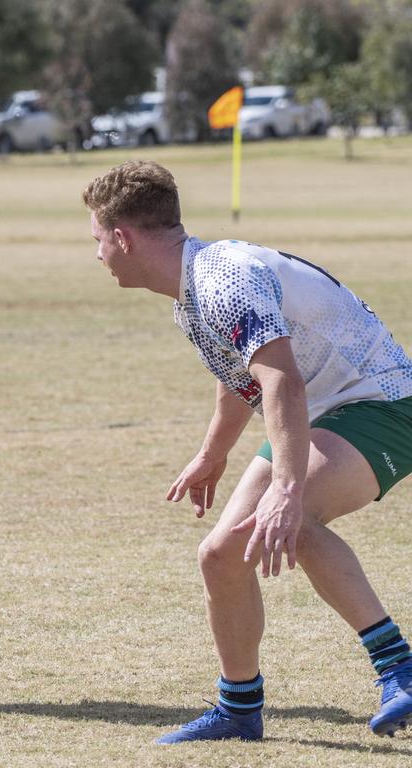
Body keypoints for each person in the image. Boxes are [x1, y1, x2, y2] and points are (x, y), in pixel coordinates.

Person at [82, 160, 412, 743]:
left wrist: (287, 489)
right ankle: (239, 710)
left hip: (384, 404)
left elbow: (281, 379)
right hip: (325, 409)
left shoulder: (221, 280)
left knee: (293, 515)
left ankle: (400, 670)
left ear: (123, 238)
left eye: (97, 240)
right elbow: (248, 373)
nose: (97, 254)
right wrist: (213, 453)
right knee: (219, 555)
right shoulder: (193, 287)